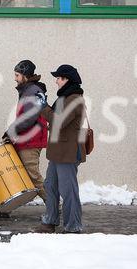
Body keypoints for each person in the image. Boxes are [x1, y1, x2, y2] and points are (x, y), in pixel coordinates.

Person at [0, 60, 48, 218]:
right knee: (14, 174)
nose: (15, 78)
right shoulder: (29, 90)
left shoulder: (32, 91)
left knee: (33, 176)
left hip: (31, 141)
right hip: (25, 139)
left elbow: (29, 118)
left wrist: (11, 131)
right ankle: (4, 208)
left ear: (25, 76)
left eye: (17, 75)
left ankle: (54, 205)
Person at [35, 64, 86, 234]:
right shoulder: (64, 98)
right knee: (50, 186)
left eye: (58, 78)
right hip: (58, 150)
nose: (56, 81)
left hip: (68, 151)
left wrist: (44, 107)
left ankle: (73, 226)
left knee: (68, 189)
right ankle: (50, 221)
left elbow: (60, 121)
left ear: (66, 79)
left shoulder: (75, 98)